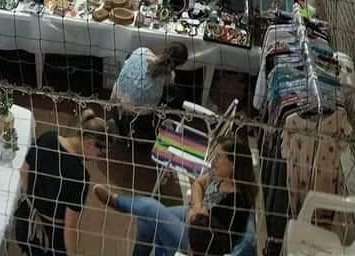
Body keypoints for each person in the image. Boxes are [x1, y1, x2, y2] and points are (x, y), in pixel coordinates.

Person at [94, 134, 256, 256]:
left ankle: (118, 202)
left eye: (219, 157)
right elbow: (198, 183)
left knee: (150, 208)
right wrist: (198, 207)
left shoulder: (236, 201)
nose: (213, 160)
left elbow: (212, 238)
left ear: (233, 164)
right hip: (194, 215)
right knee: (146, 220)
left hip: (199, 242)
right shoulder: (219, 175)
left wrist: (194, 216)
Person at [15, 109, 113, 256]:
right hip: (50, 239)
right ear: (88, 143)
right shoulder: (80, 176)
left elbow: (23, 171)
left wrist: (34, 200)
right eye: (100, 154)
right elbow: (70, 227)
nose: (99, 159)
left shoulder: (48, 137)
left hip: (25, 223)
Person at [111, 44, 189, 115]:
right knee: (176, 93)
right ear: (180, 65)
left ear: (166, 49)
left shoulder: (142, 50)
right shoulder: (169, 77)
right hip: (138, 110)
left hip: (117, 95)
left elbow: (126, 62)